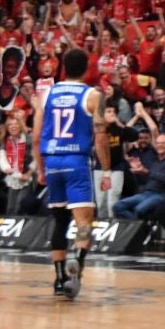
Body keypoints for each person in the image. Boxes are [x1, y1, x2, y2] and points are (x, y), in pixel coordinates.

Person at [32, 48, 108, 301]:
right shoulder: (93, 95)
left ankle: (58, 278)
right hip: (77, 160)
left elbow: (34, 138)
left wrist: (41, 170)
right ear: (87, 68)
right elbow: (100, 135)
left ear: (62, 67)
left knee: (60, 221)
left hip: (52, 161)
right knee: (84, 223)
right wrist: (106, 169)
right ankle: (79, 260)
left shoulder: (47, 94)